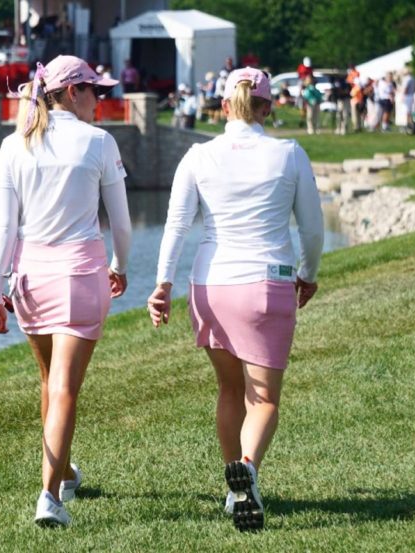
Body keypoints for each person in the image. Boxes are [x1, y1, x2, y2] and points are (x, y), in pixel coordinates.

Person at [146, 67, 324, 532]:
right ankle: (246, 468)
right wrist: (308, 275)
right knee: (262, 400)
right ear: (268, 107)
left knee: (229, 390)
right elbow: (312, 229)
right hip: (266, 284)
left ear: (224, 106)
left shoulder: (198, 155)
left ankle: (235, 489)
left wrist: (163, 283)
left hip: (210, 287)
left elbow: (177, 225)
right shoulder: (289, 153)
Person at [0, 54, 131, 527]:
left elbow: (5, 227)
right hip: (79, 276)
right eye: (95, 91)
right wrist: (120, 266)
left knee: (50, 382)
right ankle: (49, 497)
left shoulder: (14, 144)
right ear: (73, 92)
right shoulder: (99, 142)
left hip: (29, 280)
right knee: (64, 386)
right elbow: (122, 224)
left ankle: (63, 472)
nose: (99, 100)